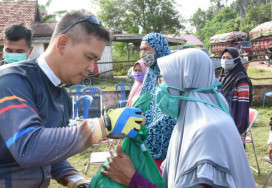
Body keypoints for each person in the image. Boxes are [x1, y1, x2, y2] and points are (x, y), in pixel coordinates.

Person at [0, 9, 143, 188]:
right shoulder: (10, 80)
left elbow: (51, 154)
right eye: (89, 57)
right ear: (62, 43)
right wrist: (105, 125)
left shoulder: (62, 96)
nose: (92, 68)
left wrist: (77, 180)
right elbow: (29, 148)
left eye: (95, 61)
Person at [102, 48, 256, 188]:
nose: (161, 88)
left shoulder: (208, 131)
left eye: (166, 80)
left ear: (185, 82)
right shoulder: (189, 123)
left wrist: (131, 179)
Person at [138, 33, 176, 172]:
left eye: (146, 49)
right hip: (147, 140)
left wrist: (153, 125)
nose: (143, 54)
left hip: (165, 141)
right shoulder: (150, 72)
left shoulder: (170, 73)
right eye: (141, 49)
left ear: (159, 49)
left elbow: (172, 109)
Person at [218, 47, 252, 135]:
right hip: (222, 120)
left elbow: (243, 106)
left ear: (236, 60)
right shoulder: (222, 77)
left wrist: (238, 129)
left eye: (229, 58)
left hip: (234, 122)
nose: (225, 61)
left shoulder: (241, 80)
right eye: (223, 58)